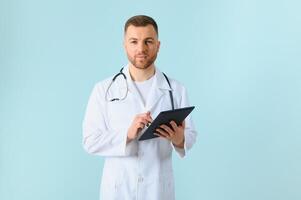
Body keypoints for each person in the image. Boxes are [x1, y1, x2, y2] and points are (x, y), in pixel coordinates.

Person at [82, 15, 197, 200]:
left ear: (158, 45)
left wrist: (178, 138)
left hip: (158, 190)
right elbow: (90, 140)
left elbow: (190, 136)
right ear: (125, 45)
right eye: (134, 41)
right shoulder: (104, 90)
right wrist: (126, 135)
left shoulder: (175, 90)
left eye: (148, 41)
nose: (141, 48)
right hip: (119, 190)